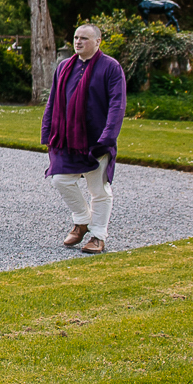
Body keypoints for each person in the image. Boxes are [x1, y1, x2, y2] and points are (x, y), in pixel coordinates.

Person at [43, 22, 127, 255]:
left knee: (98, 189)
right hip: (66, 138)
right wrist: (48, 131)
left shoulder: (111, 67)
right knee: (60, 179)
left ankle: (98, 235)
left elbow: (117, 105)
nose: (78, 42)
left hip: (96, 140)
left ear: (98, 41)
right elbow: (53, 101)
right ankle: (82, 219)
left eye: (85, 38)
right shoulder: (63, 67)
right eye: (76, 37)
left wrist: (107, 137)